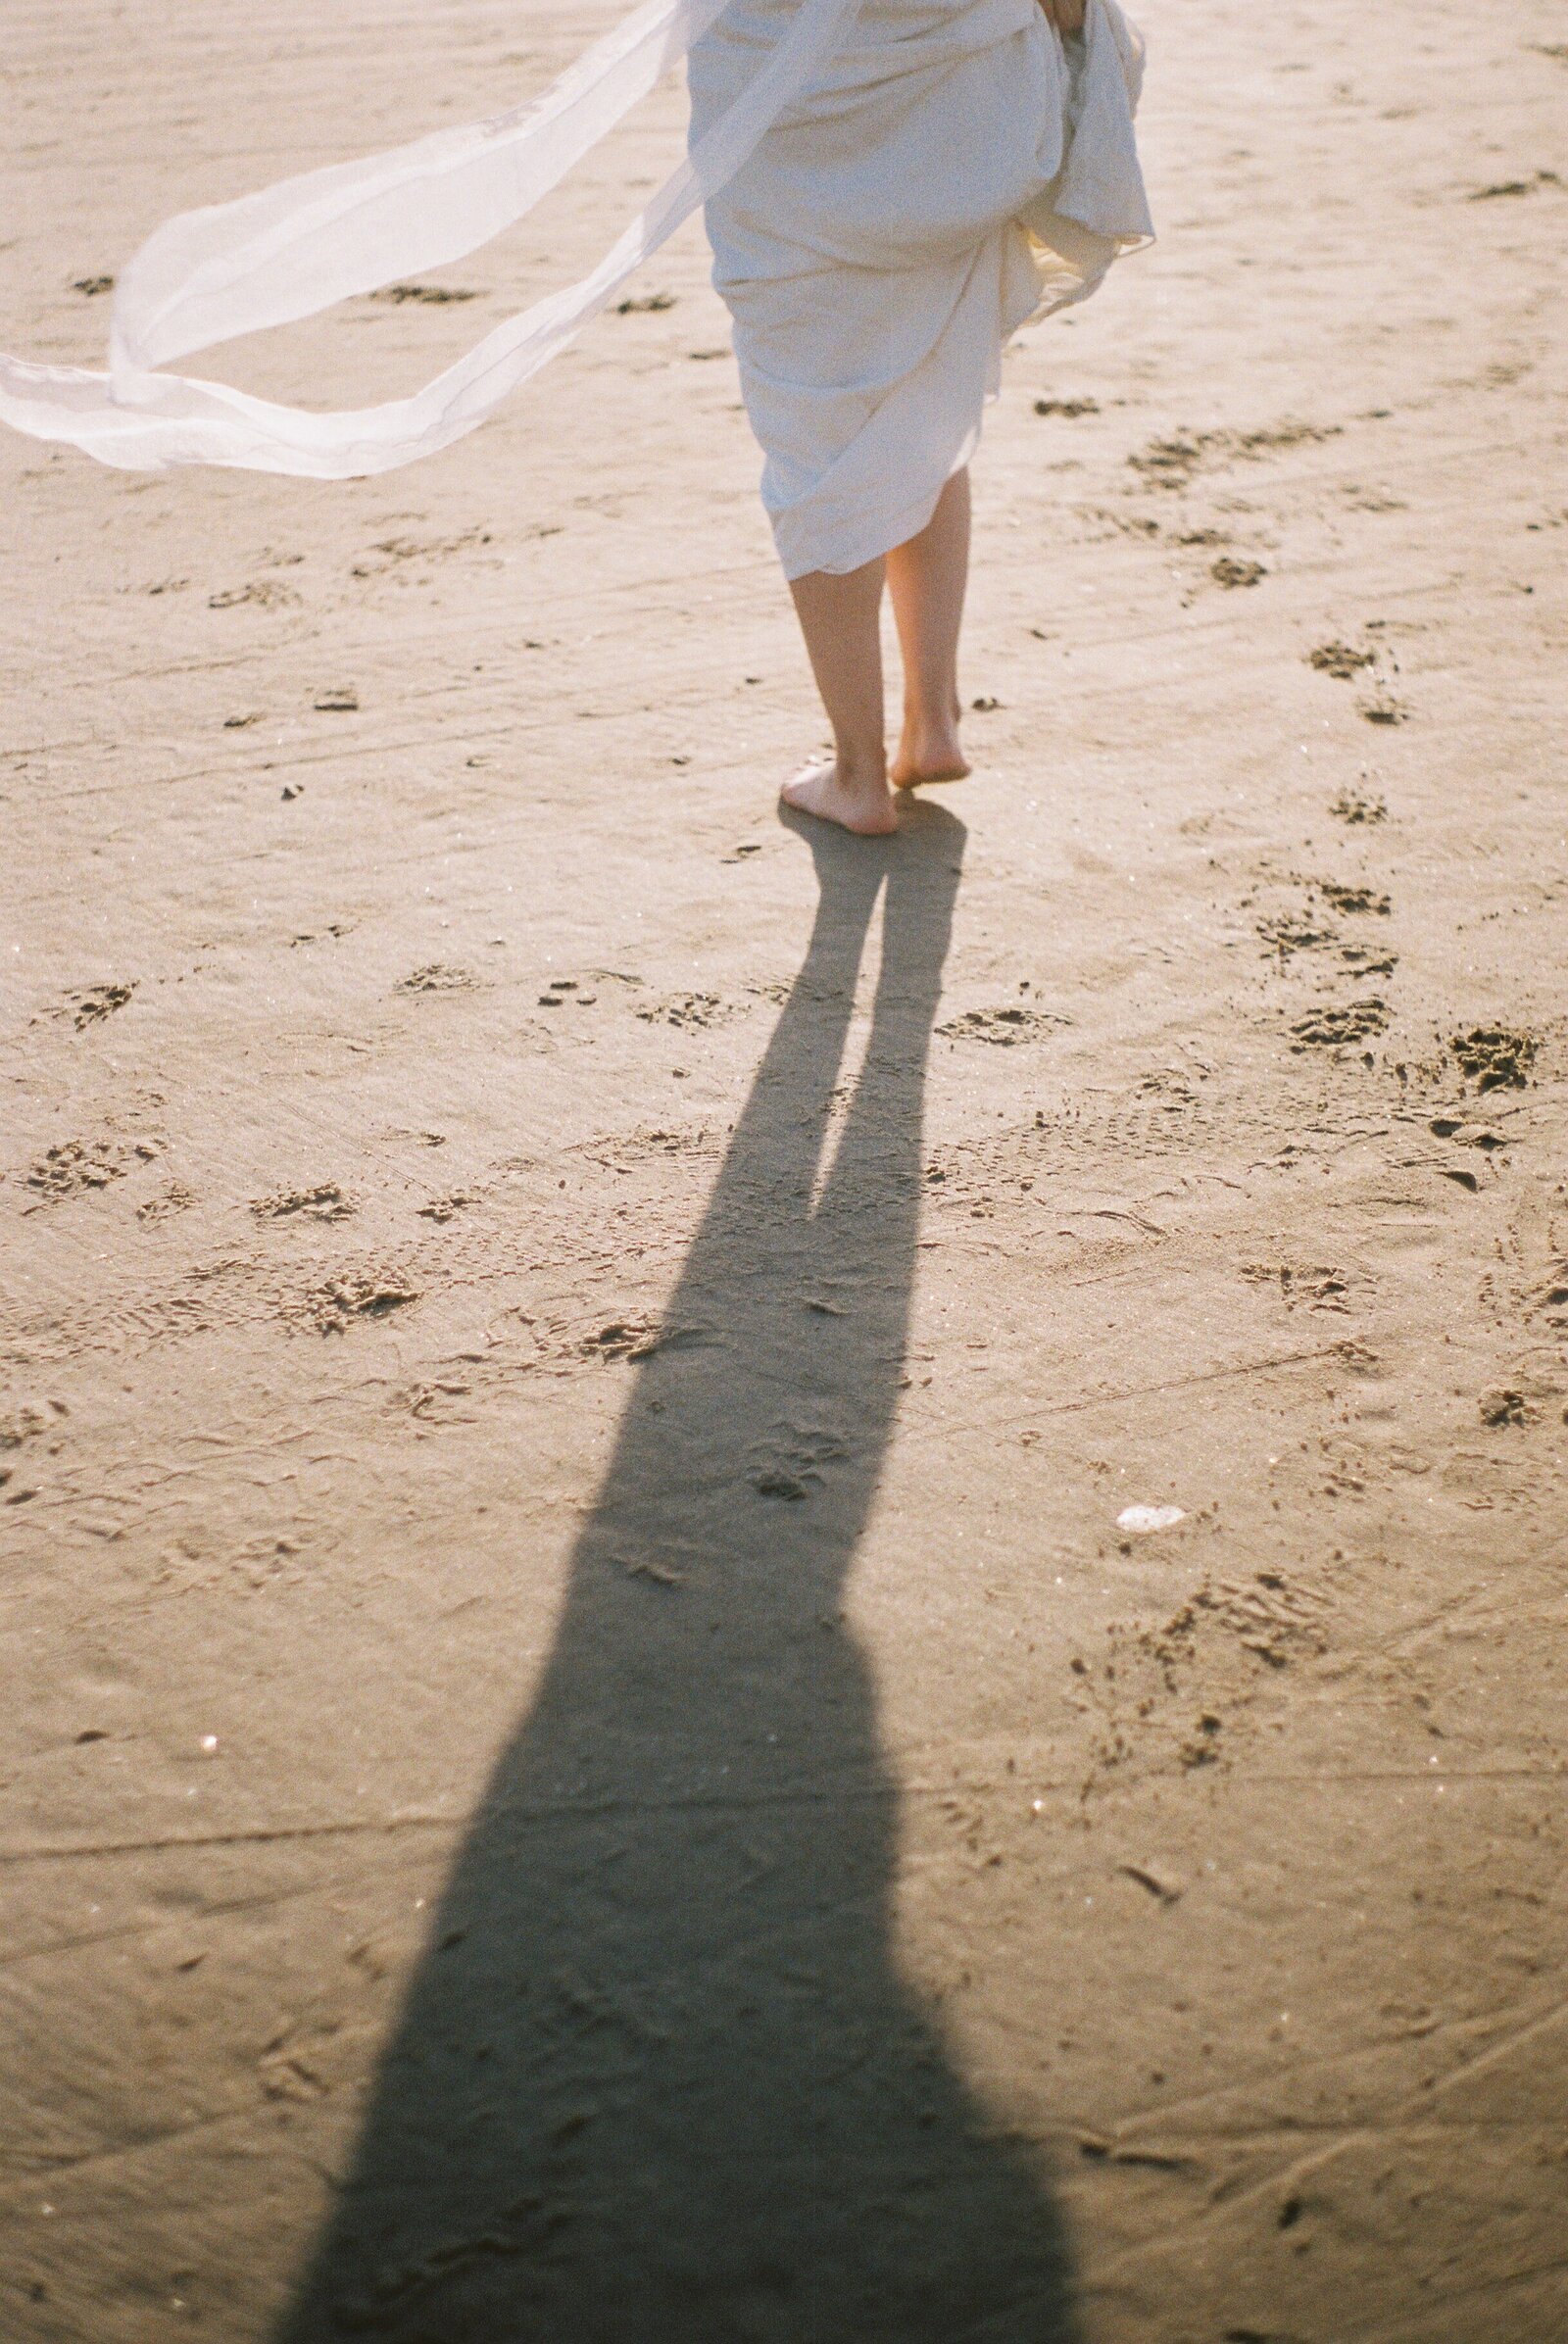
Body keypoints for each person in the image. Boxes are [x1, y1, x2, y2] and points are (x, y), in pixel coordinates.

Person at [691, 0, 1145, 833]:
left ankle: (860, 775)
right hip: (958, 87)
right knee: (926, 382)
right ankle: (932, 722)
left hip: (807, 97)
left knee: (818, 432)